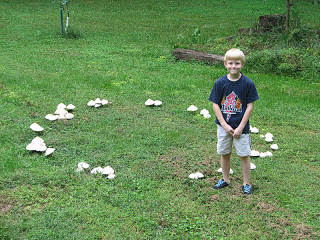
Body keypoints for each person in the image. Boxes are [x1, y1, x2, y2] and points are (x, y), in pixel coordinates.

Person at [208, 48, 259, 194]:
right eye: (230, 63)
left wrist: (241, 127)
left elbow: (250, 106)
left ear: (242, 64)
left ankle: (246, 183)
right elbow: (215, 104)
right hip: (224, 127)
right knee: (225, 153)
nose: (233, 66)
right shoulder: (220, 83)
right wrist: (224, 124)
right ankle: (225, 179)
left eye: (237, 63)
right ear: (225, 64)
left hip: (241, 128)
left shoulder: (248, 83)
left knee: (243, 155)